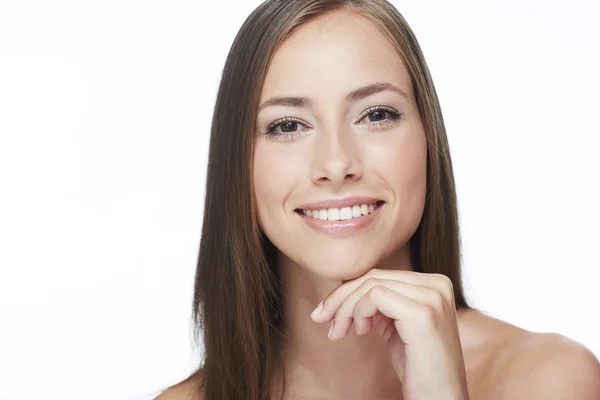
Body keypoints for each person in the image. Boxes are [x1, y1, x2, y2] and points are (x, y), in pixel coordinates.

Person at [155, 0, 600, 399]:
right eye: (288, 125)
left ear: (428, 140)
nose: (336, 162)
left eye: (376, 115)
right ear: (238, 162)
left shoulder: (548, 381)